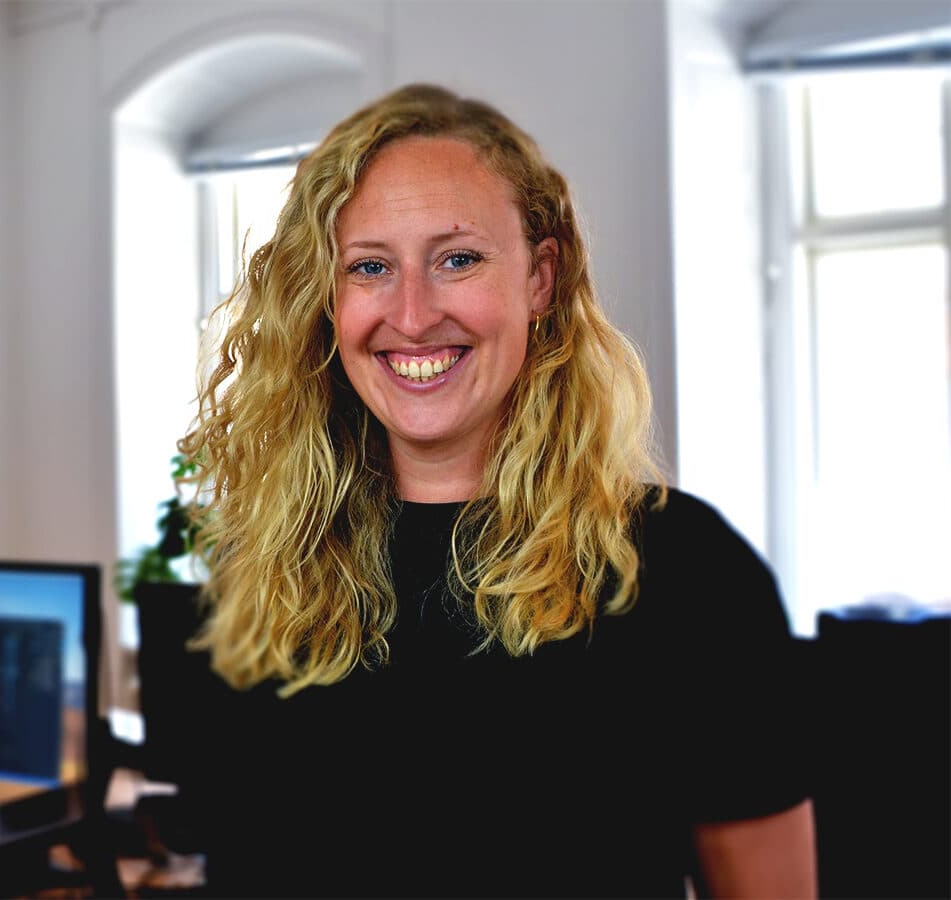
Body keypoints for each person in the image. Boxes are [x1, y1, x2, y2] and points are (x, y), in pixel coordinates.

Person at [176, 84, 815, 898]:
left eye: (457, 260)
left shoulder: (686, 572)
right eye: (369, 267)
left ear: (539, 279)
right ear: (326, 300)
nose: (412, 316)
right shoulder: (266, 563)